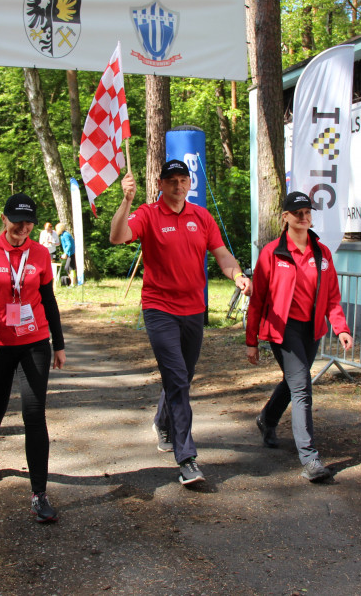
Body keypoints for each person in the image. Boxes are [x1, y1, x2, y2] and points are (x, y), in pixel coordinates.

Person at [110, 159, 251, 486]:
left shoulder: (201, 217)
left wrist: (238, 275)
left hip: (193, 311)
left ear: (190, 184)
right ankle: (187, 459)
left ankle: (162, 420)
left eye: (182, 179)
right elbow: (118, 237)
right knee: (177, 378)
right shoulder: (147, 213)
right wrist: (126, 201)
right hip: (159, 310)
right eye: (170, 180)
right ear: (160, 184)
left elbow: (222, 254)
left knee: (182, 377)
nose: (177, 185)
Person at [0, 193, 66, 523]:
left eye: (28, 222)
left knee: (35, 414)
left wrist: (60, 343)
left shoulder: (40, 253)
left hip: (35, 342)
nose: (22, 228)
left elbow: (49, 300)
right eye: (17, 221)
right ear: (4, 218)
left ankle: (39, 494)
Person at [245, 191, 354, 482]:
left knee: (295, 380)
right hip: (282, 329)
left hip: (311, 329)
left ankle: (266, 419)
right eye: (298, 213)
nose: (304, 218)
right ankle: (310, 458)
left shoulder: (322, 253)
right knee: (302, 386)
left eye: (307, 212)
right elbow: (257, 301)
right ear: (285, 217)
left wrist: (340, 327)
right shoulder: (272, 252)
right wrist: (251, 340)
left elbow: (332, 296)